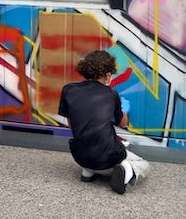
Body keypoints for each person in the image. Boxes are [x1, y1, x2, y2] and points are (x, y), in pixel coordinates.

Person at [59, 50, 148, 194]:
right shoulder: (111, 94)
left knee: (92, 151)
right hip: (107, 159)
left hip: (80, 156)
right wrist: (124, 110)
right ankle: (125, 171)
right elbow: (123, 123)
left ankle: (88, 172)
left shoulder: (68, 90)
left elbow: (72, 125)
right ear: (107, 75)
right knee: (142, 164)